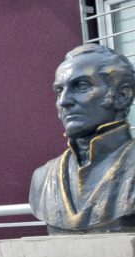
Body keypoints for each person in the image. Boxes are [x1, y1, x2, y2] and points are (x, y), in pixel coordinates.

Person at [30, 44, 135, 233]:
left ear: (122, 96)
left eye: (81, 86)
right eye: (59, 90)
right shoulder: (42, 178)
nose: (64, 101)